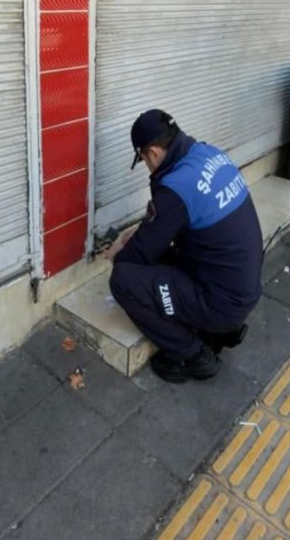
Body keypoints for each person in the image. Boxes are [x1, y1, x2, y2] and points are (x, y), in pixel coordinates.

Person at [105, 110, 263, 382]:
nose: (146, 164)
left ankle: (193, 354)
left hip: (221, 301)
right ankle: (217, 330)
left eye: (142, 159)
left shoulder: (177, 188)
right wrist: (147, 232)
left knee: (123, 279)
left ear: (153, 152)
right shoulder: (207, 154)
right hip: (239, 288)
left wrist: (119, 252)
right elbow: (179, 222)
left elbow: (139, 255)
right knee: (162, 256)